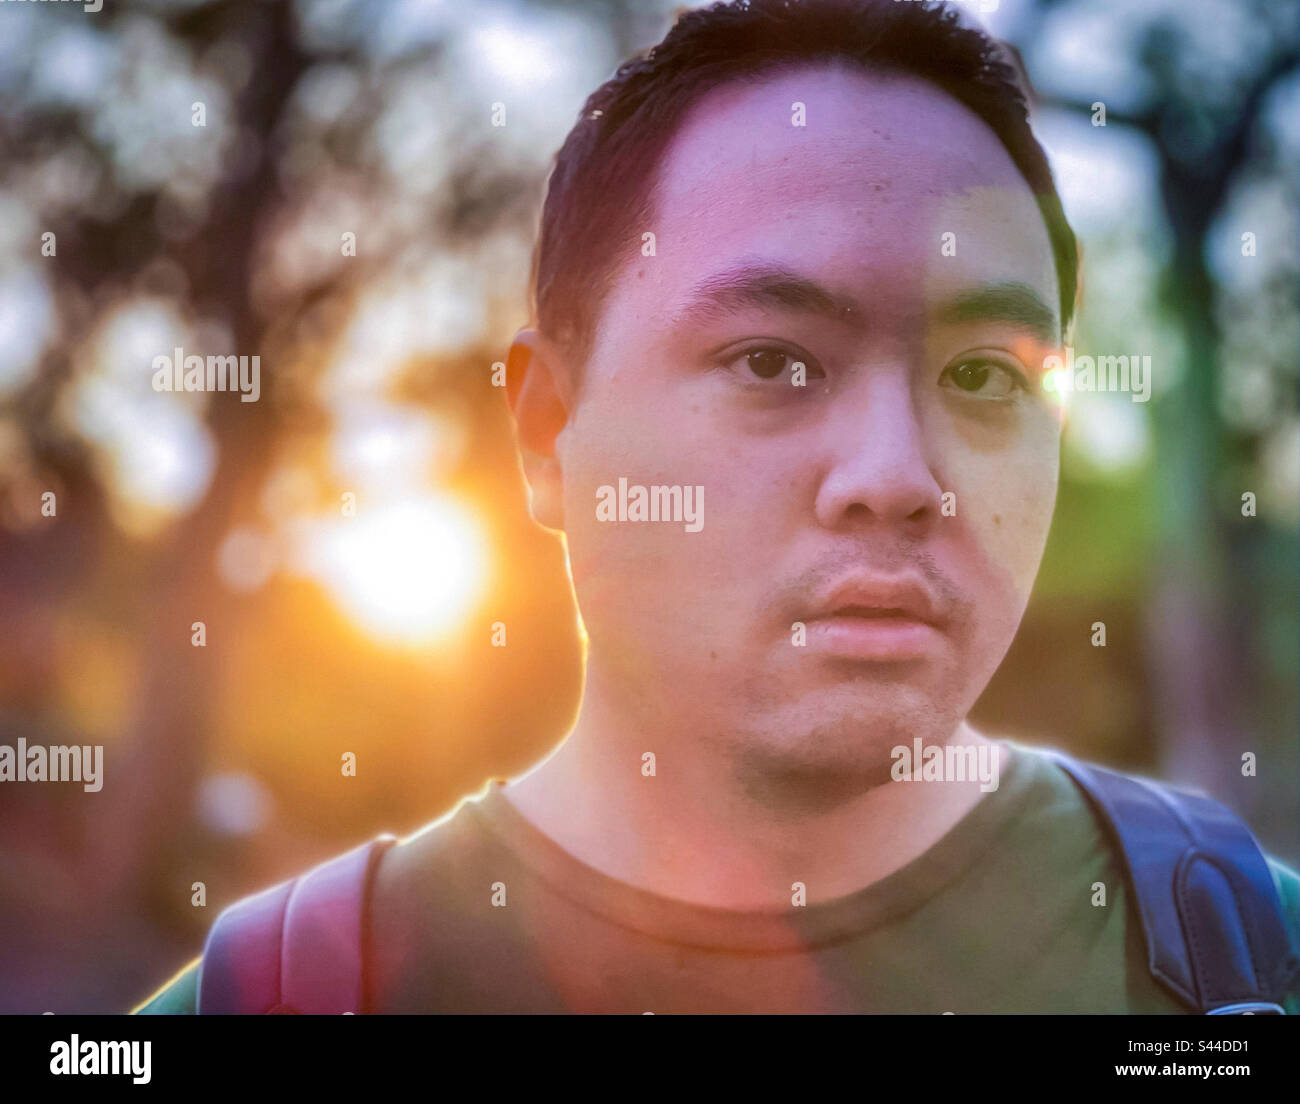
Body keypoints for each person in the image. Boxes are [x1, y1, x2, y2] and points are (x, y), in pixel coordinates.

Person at [134, 0, 1300, 1014]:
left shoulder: (1253, 962)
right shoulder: (285, 1000)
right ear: (547, 432)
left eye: (984, 376)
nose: (895, 476)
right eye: (773, 361)